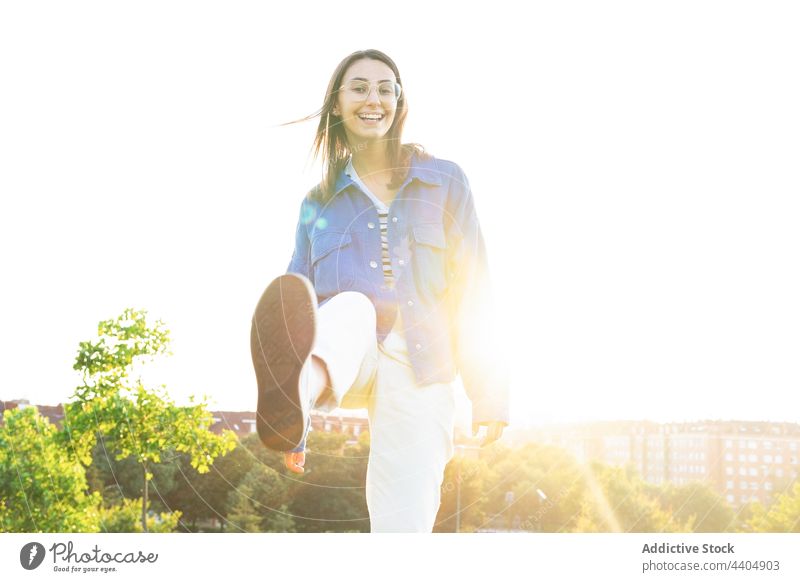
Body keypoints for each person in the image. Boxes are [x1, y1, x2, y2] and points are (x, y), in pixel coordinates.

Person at [250, 49, 509, 532]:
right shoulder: (319, 200)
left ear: (399, 102)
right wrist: (294, 429)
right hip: (349, 355)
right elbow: (295, 302)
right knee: (347, 308)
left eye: (385, 88)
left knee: (403, 528)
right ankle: (298, 398)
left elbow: (475, 289)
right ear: (337, 105)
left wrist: (488, 392)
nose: (375, 99)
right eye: (360, 87)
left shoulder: (446, 181)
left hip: (422, 363)